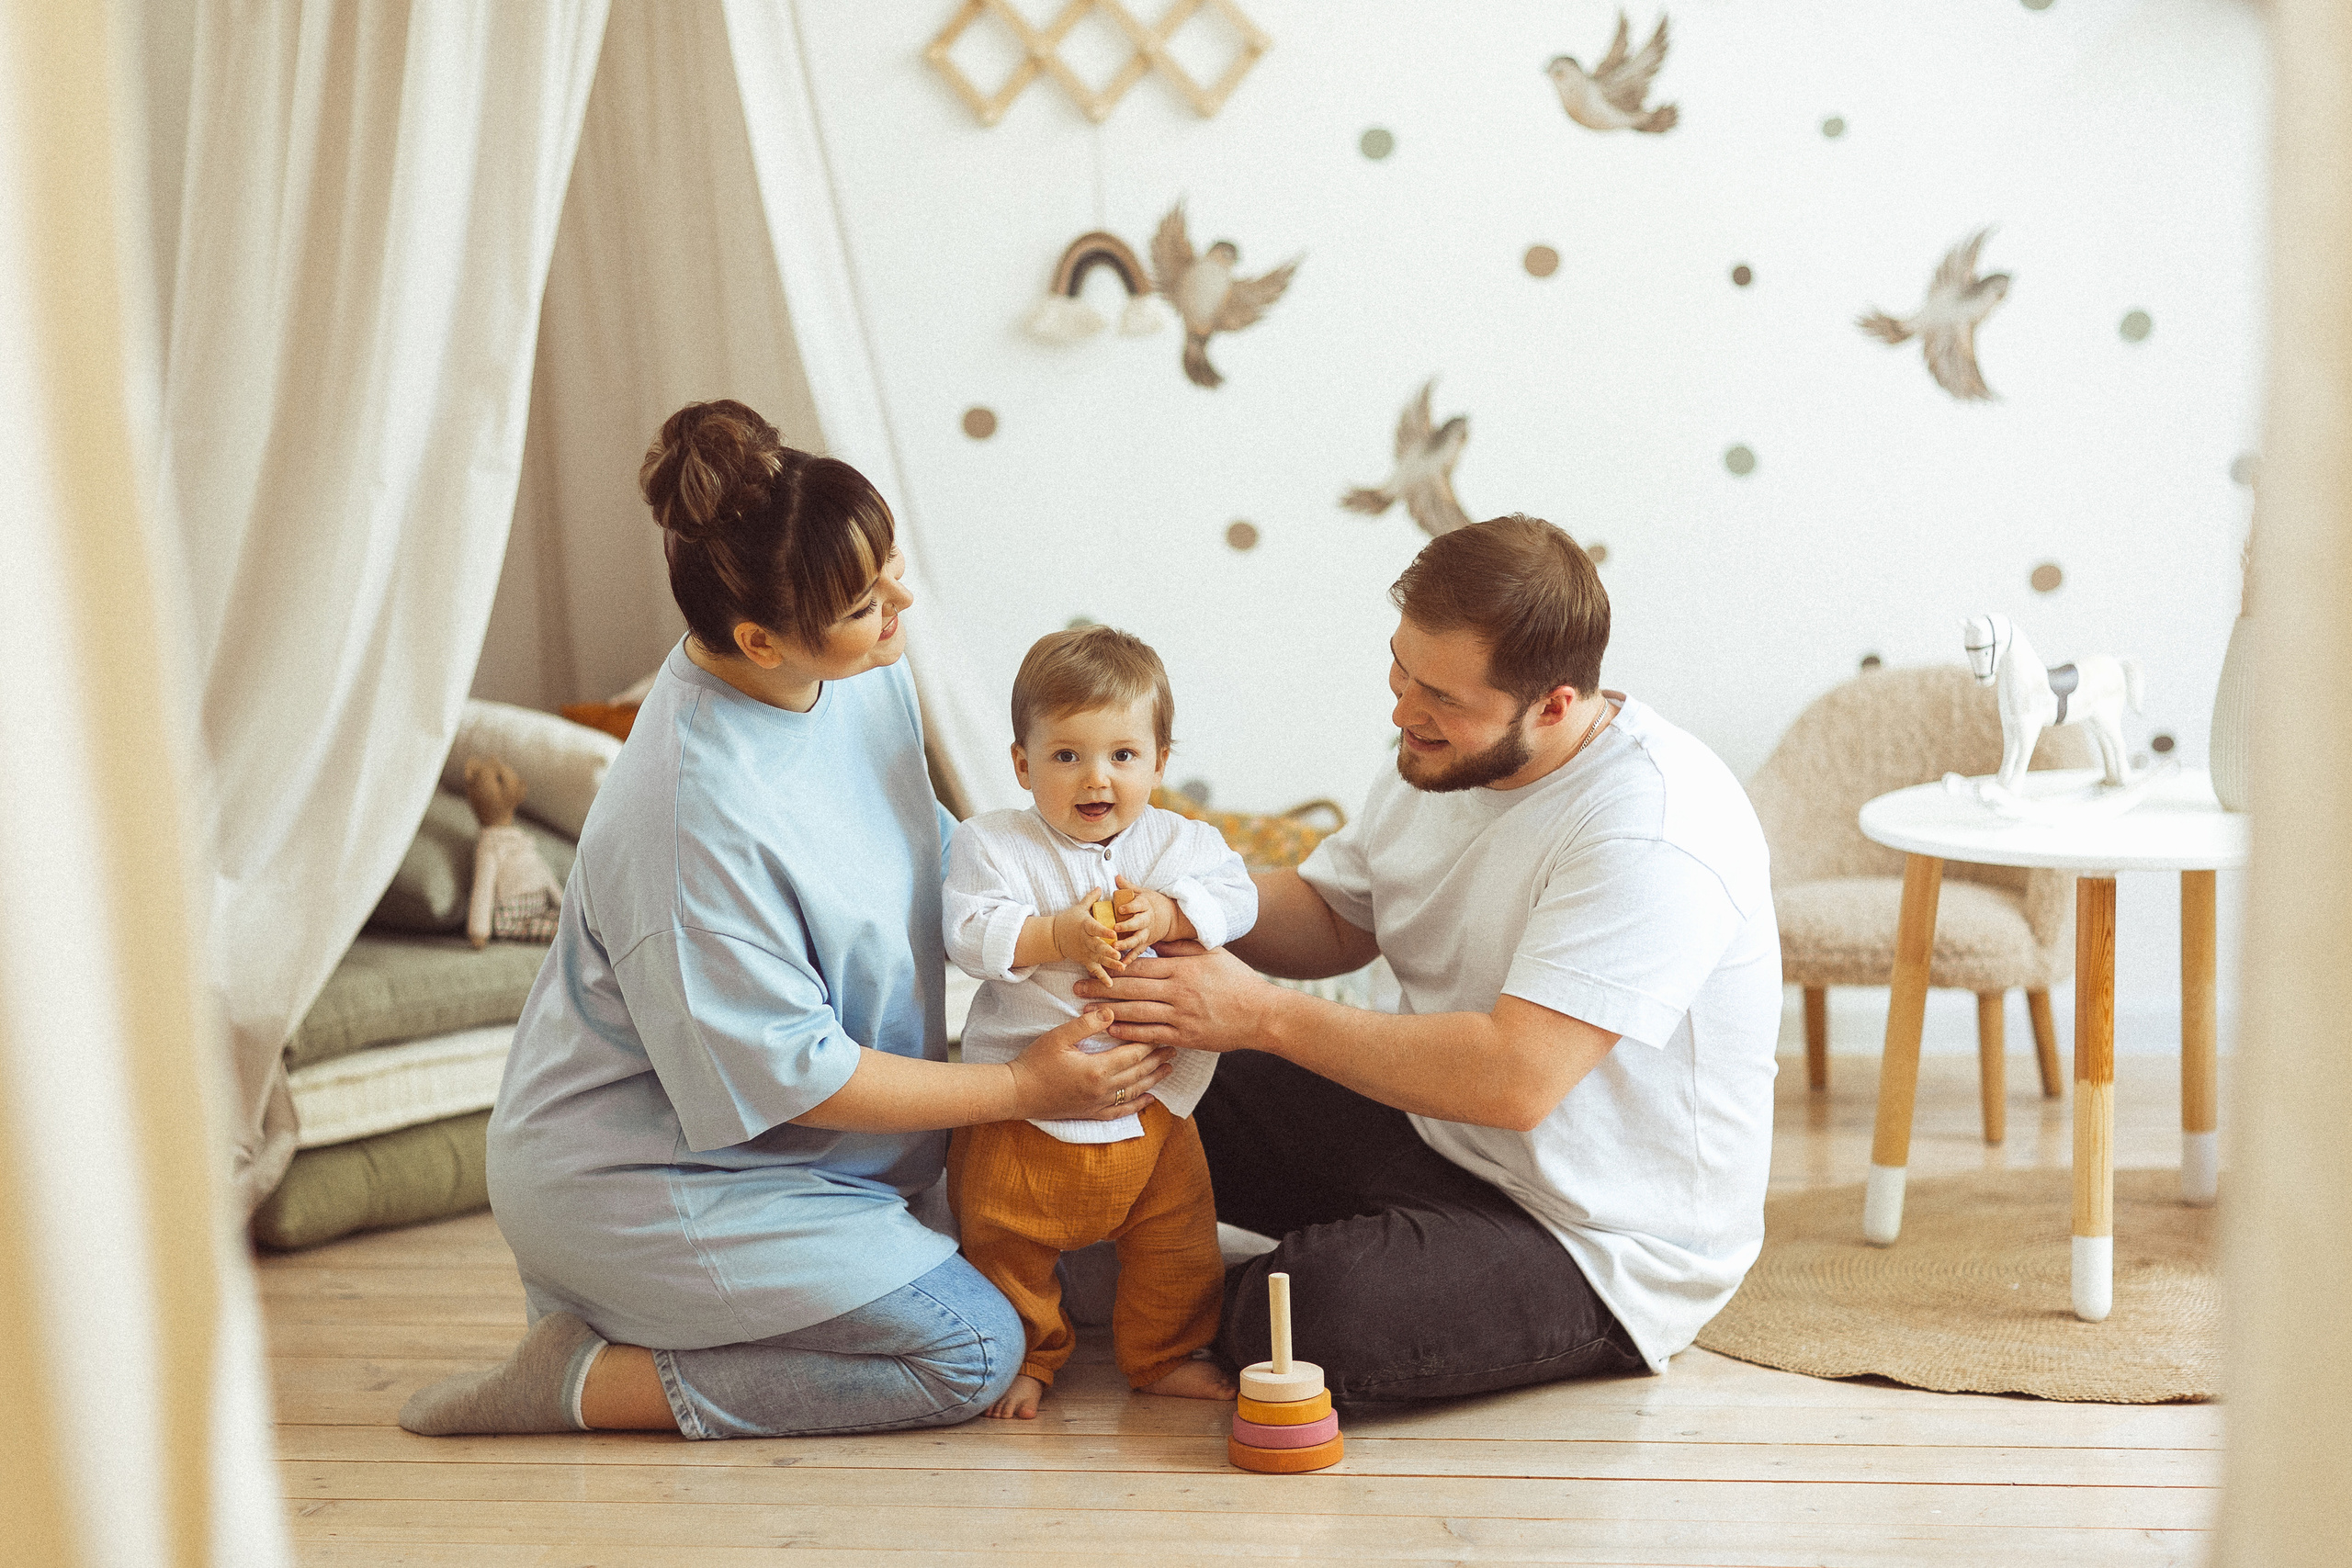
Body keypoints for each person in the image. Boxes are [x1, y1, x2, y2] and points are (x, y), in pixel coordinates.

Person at [398, 401, 1173, 1440]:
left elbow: (925, 856)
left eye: (889, 561)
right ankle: (581, 1380)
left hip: (831, 1158)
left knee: (1097, 1262)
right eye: (866, 598)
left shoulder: (850, 674)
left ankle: (735, 1309)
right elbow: (797, 1072)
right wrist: (1022, 1086)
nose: (901, 600)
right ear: (760, 639)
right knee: (975, 1350)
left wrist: (1073, 922)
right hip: (655, 1180)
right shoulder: (690, 820)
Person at [1075, 513, 1781, 1404]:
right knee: (1146, 1063)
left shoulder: (1654, 827)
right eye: (1402, 668)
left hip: (1594, 1234)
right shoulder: (1435, 752)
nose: (1406, 710)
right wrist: (1171, 895)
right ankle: (1142, 1253)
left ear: (1555, 705)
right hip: (1430, 1128)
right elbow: (1335, 916)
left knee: (1309, 1317)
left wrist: (1258, 1013)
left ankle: (1178, 1281)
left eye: (1442, 696)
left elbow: (1515, 1082)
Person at [943, 626, 1254, 1419]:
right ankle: (1030, 1356)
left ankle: (1164, 1353)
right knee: (1002, 1247)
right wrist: (1054, 934)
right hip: (1026, 1116)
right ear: (1021, 763)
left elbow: (1239, 895)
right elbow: (968, 932)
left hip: (1152, 1108)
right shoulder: (992, 844)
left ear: (1158, 761)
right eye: (1066, 756)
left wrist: (1177, 910)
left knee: (1178, 1244)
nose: (1097, 779)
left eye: (1122, 755)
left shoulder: (1180, 843)